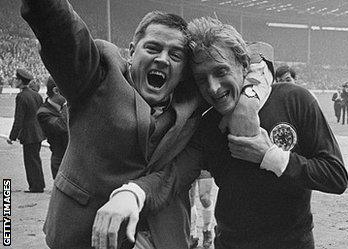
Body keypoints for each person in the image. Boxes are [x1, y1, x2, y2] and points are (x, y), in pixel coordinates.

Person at [98, 17, 348, 249]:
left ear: (244, 65)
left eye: (221, 72)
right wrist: (132, 192)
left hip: (293, 243)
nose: (213, 88)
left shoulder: (295, 100)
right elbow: (174, 175)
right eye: (202, 78)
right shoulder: (206, 126)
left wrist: (270, 156)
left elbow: (335, 176)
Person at [21, 0, 203, 248]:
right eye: (153, 48)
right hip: (82, 235)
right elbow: (62, 31)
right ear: (131, 51)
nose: (163, 59)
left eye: (175, 55)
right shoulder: (99, 77)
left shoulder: (192, 107)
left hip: (160, 239)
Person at [7, 68, 45, 193]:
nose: (14, 81)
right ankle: (39, 184)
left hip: (29, 133)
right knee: (36, 159)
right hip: (38, 132)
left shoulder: (21, 96)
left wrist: (12, 136)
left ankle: (35, 186)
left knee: (30, 161)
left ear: (20, 81)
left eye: (16, 79)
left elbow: (19, 119)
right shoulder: (37, 95)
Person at [36, 76, 68, 179]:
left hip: (75, 160)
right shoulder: (43, 113)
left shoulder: (63, 108)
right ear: (56, 91)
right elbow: (62, 126)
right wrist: (67, 104)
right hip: (61, 161)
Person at [189, 171, 214, 249]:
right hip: (191, 165)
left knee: (205, 199)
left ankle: (207, 230)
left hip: (204, 167)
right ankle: (192, 234)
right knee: (190, 200)